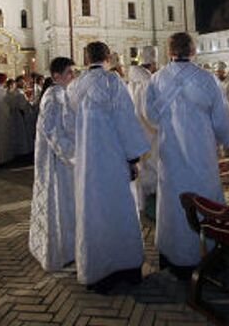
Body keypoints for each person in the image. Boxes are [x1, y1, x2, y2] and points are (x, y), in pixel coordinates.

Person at [146, 33, 229, 277]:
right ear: (193, 51)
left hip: (171, 152)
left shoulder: (157, 79)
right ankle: (206, 250)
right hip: (201, 152)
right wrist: (228, 141)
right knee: (204, 196)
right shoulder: (206, 79)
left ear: (170, 51)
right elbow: (221, 117)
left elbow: (151, 116)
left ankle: (172, 253)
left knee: (174, 200)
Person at [67, 42, 149, 293]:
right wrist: (133, 158)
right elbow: (125, 120)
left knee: (92, 212)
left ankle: (96, 270)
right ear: (107, 58)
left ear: (85, 57)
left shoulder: (74, 87)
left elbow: (72, 125)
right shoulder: (113, 83)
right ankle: (126, 267)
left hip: (87, 163)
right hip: (112, 159)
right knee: (120, 210)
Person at [29, 57, 77, 272]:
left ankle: (69, 248)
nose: (73, 76)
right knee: (59, 203)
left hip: (63, 159)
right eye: (69, 72)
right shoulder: (54, 95)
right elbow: (51, 129)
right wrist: (71, 153)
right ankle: (59, 251)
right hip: (56, 161)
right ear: (57, 76)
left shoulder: (63, 93)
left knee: (67, 204)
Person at [127, 46, 160, 212]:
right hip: (150, 129)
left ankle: (140, 202)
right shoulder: (148, 82)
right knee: (152, 163)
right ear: (153, 63)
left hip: (136, 128)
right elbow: (150, 112)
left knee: (141, 166)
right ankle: (150, 200)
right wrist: (161, 125)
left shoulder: (132, 81)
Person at [213, 61, 229, 151]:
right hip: (217, 111)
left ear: (224, 72)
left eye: (220, 72)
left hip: (227, 111)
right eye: (217, 72)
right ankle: (219, 150)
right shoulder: (215, 82)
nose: (218, 74)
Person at [9, 76, 35, 161]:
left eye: (23, 81)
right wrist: (29, 102)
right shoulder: (19, 93)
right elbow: (23, 106)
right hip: (21, 116)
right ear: (17, 83)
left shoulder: (15, 92)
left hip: (17, 116)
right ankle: (23, 152)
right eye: (21, 82)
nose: (23, 83)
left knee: (19, 134)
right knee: (23, 135)